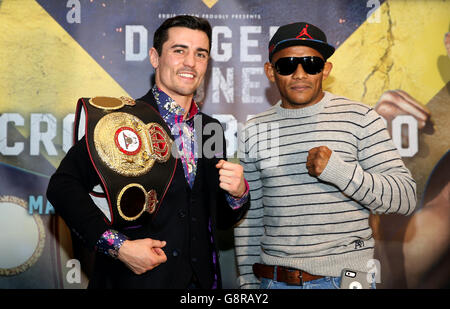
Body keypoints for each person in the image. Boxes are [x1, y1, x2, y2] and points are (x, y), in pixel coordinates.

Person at [47, 15, 250, 289]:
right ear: (155, 57)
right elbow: (61, 186)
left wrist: (237, 195)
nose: (190, 62)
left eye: (200, 54)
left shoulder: (209, 129)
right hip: (131, 283)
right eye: (179, 50)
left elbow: (218, 219)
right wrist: (119, 247)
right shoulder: (121, 120)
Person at [234, 22, 417, 289]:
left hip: (347, 280)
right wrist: (248, 285)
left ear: (326, 70)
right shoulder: (254, 130)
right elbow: (250, 218)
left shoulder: (360, 118)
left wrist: (339, 172)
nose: (300, 73)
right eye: (287, 65)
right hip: (275, 281)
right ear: (271, 72)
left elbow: (405, 198)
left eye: (311, 64)